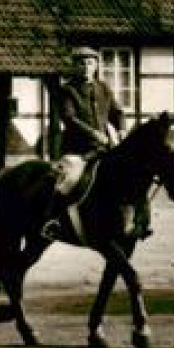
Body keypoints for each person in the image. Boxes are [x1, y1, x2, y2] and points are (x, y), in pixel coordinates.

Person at [42, 46, 127, 243]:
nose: (86, 67)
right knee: (68, 182)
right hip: (77, 150)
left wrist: (122, 129)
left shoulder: (103, 88)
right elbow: (70, 119)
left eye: (90, 63)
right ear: (74, 66)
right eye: (81, 63)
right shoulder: (67, 90)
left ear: (96, 65)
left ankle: (129, 222)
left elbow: (118, 112)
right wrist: (95, 134)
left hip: (105, 149)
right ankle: (53, 222)